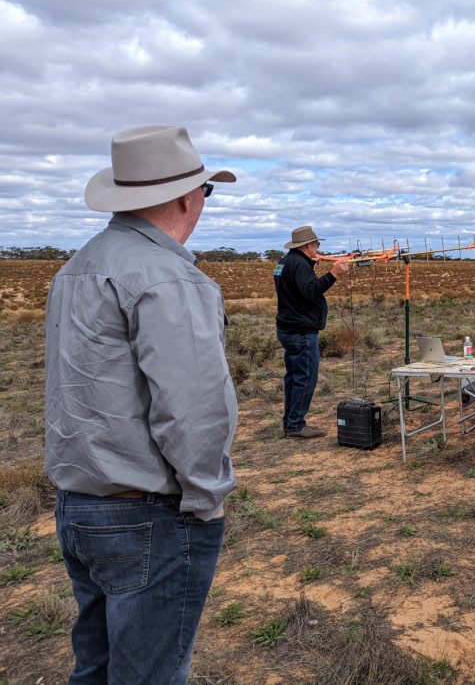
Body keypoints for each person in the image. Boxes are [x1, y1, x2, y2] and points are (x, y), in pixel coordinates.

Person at [45, 125, 238, 683]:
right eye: (205, 191)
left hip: (79, 503)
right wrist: (206, 498)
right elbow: (194, 409)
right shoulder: (171, 278)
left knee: (98, 665)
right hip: (148, 514)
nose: (203, 201)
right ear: (184, 196)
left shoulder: (75, 267)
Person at [274, 225, 349, 438]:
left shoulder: (285, 262)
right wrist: (333, 274)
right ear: (308, 245)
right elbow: (309, 291)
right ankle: (296, 425)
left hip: (289, 328)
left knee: (295, 377)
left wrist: (310, 266)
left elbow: (297, 287)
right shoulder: (298, 264)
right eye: (316, 243)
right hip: (300, 331)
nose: (318, 247)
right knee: (305, 377)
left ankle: (291, 421)